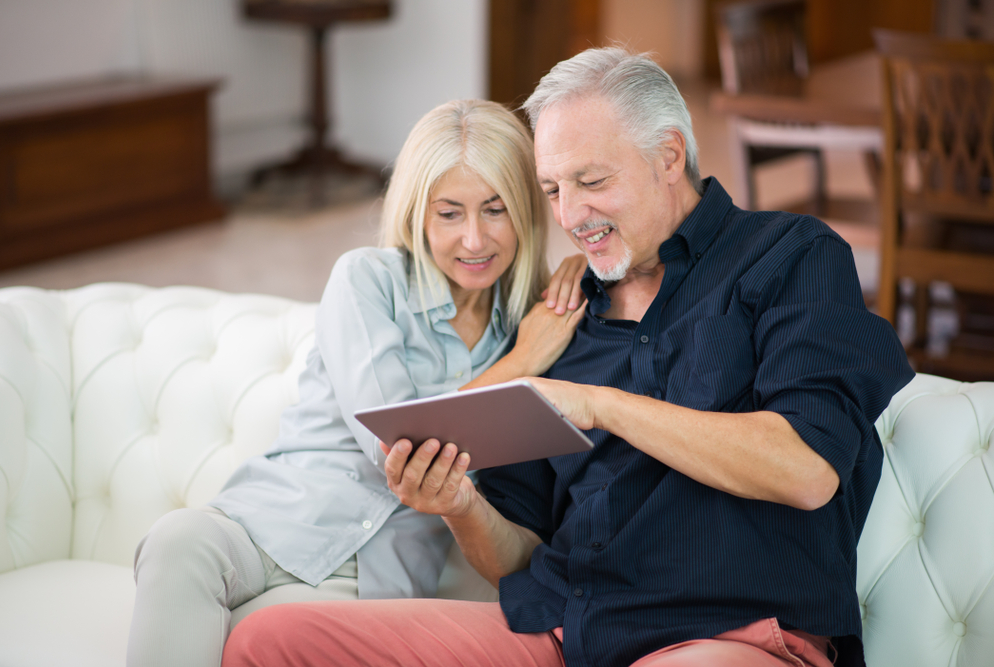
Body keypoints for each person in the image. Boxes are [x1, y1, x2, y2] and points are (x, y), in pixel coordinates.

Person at [220, 48, 914, 667]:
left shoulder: (790, 256)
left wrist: (599, 405)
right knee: (268, 641)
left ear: (669, 156)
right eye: (553, 190)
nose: (570, 215)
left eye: (591, 180)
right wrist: (461, 504)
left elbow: (806, 469)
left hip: (727, 638)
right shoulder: (561, 320)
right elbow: (518, 555)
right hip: (560, 631)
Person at [125, 98, 589, 667]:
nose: (474, 239)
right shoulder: (367, 280)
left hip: (374, 579)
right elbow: (396, 445)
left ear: (527, 210)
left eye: (496, 210)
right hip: (272, 523)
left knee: (272, 636)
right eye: (449, 214)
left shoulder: (537, 321)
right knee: (177, 541)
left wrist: (580, 271)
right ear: (418, 214)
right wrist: (522, 362)